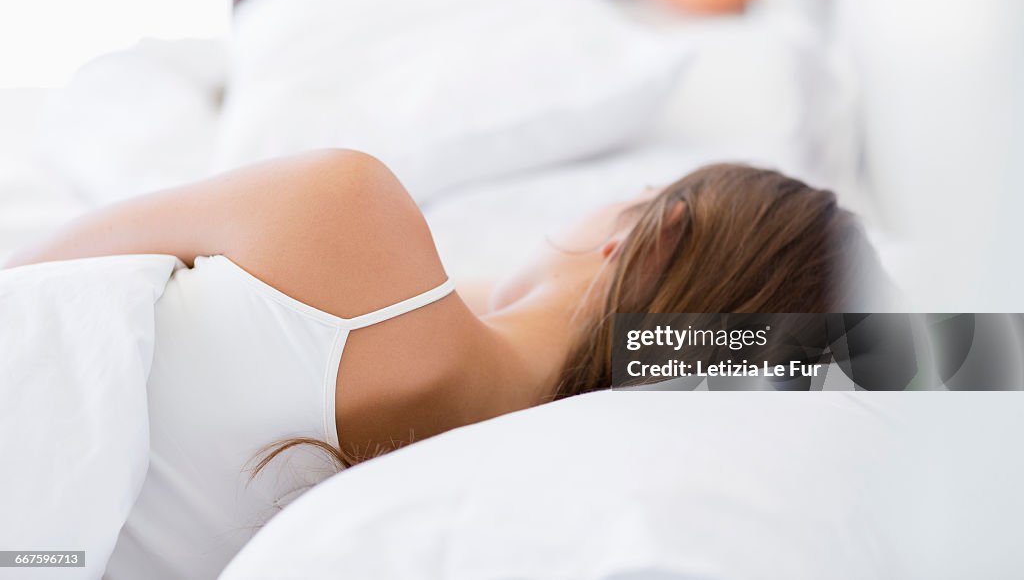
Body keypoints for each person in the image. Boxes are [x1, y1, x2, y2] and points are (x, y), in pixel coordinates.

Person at [4, 149, 884, 578]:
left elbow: (39, 270)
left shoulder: (349, 213)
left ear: (651, 238)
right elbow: (976, 355)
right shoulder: (510, 466)